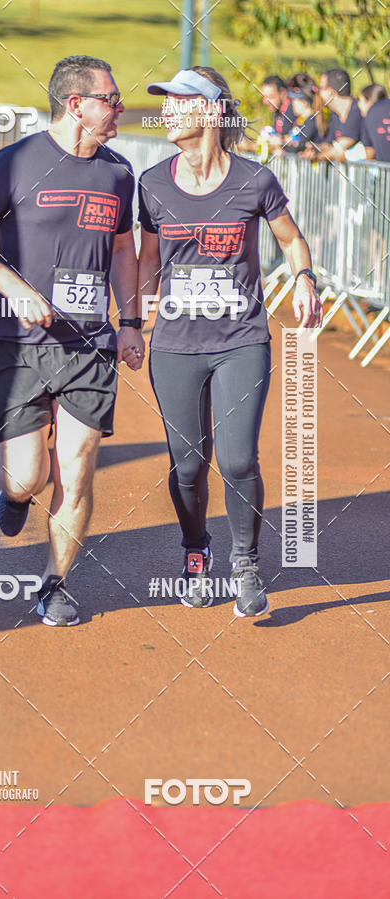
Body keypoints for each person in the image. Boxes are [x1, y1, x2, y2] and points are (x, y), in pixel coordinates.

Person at [0, 55, 143, 627]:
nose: (120, 108)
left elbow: (124, 252)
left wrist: (130, 322)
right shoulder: (17, 162)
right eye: (111, 98)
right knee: (26, 476)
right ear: (76, 104)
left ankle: (54, 585)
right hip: (20, 341)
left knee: (76, 470)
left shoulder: (118, 174)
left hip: (90, 346)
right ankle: (14, 495)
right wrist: (11, 284)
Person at [137, 66, 322, 617]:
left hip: (241, 340)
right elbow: (147, 263)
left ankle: (246, 565)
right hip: (175, 344)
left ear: (213, 112)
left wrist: (304, 279)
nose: (167, 109)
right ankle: (197, 552)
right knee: (188, 465)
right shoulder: (153, 183)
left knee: (238, 458)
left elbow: (292, 242)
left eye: (180, 100)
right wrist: (126, 320)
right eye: (165, 101)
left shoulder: (254, 180)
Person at [303, 68, 361, 162]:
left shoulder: (357, 111)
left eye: (321, 88)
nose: (318, 92)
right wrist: (316, 148)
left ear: (331, 92)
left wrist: (317, 157)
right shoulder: (335, 114)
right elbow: (329, 144)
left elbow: (341, 147)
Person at [284, 73, 324, 154]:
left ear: (304, 102)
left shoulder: (312, 120)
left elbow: (299, 146)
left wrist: (280, 143)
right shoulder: (301, 120)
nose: (292, 103)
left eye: (295, 100)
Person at [260, 74, 297, 153]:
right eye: (264, 97)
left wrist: (281, 141)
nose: (265, 102)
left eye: (271, 97)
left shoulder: (294, 111)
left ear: (283, 93)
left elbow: (299, 141)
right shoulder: (277, 111)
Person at [359, 82, 390, 162]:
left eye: (360, 101)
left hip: (383, 172)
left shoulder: (371, 112)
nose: (358, 105)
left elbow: (369, 151)